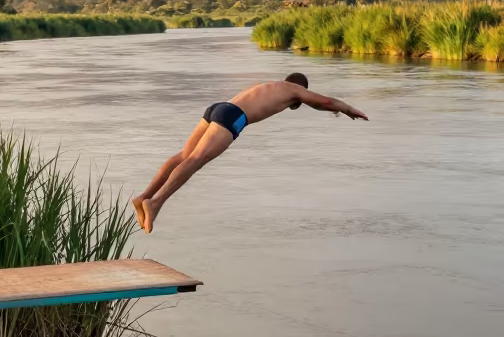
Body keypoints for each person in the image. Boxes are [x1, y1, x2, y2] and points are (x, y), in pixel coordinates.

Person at [132, 73, 368, 233]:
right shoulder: (295, 89)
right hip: (234, 117)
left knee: (184, 155)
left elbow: (317, 105)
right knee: (197, 159)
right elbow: (324, 100)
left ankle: (144, 196)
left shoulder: (273, 87)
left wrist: (332, 109)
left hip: (219, 108)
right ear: (300, 87)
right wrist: (348, 109)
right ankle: (156, 202)